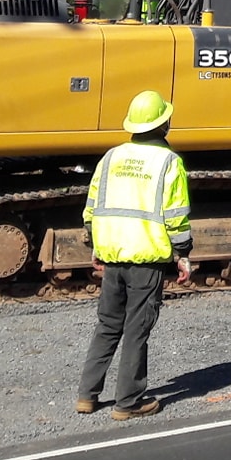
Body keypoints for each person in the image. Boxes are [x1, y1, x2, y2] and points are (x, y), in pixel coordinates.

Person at [76, 90, 193, 420]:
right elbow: (175, 215)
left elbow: (92, 209)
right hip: (147, 260)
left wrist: (97, 247)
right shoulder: (169, 162)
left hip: (113, 257)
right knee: (136, 329)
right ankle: (128, 403)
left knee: (107, 326)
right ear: (163, 124)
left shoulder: (111, 157)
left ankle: (87, 395)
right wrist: (182, 255)